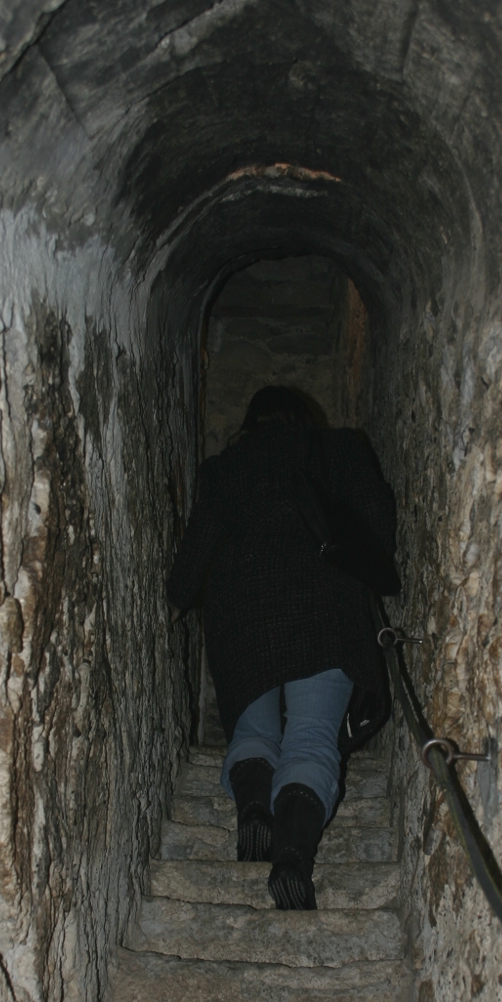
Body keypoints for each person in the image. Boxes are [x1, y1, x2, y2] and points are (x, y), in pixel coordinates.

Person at [167, 386, 398, 910]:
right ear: (305, 417)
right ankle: (293, 855)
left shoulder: (225, 467)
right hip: (324, 606)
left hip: (241, 612)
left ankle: (254, 809)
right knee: (314, 734)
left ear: (251, 422)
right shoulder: (340, 449)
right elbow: (375, 527)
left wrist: (178, 598)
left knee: (253, 728)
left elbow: (194, 553)